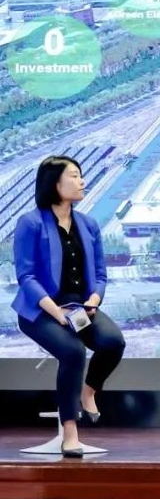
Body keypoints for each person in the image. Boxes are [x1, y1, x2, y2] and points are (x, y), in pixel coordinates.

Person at [11, 156, 127, 458]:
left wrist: (94, 300)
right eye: (74, 176)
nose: (82, 181)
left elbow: (100, 274)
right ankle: (71, 432)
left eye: (81, 175)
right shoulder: (31, 223)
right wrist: (56, 312)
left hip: (80, 307)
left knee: (113, 342)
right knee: (73, 352)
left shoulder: (88, 224)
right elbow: (26, 276)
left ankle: (88, 392)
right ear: (55, 183)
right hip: (40, 310)